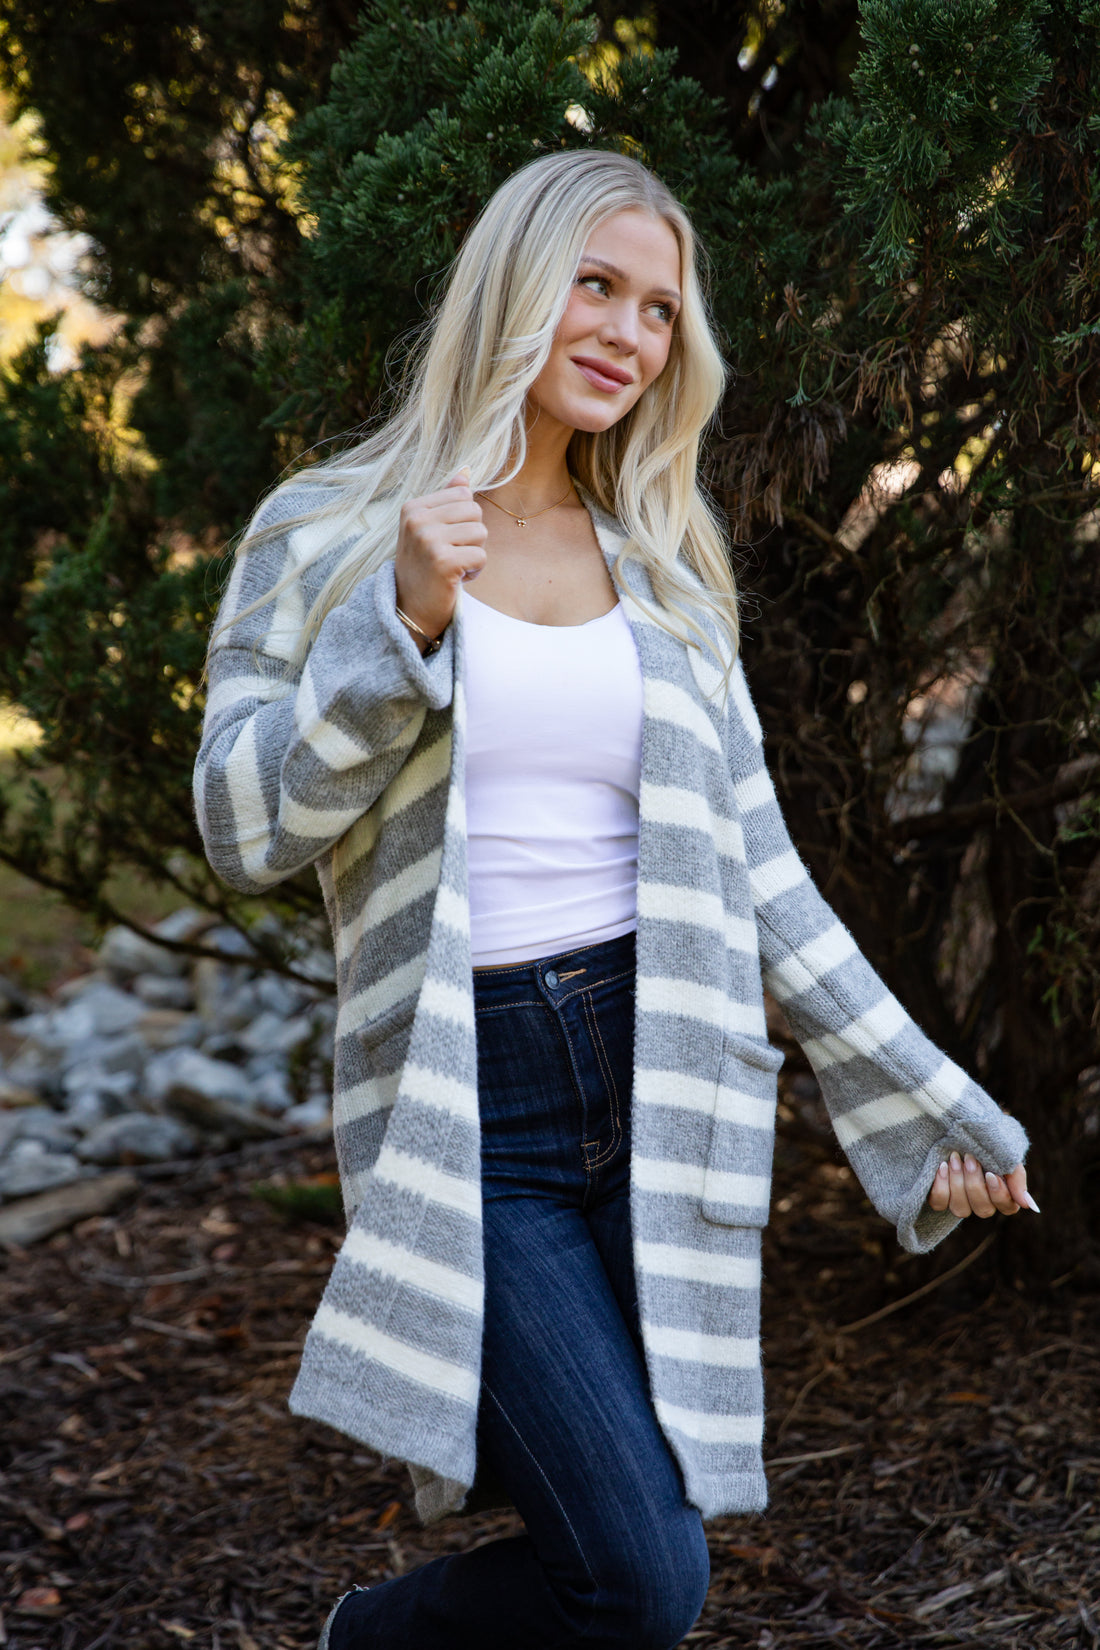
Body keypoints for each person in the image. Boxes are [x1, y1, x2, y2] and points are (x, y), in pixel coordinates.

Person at [193, 149, 1036, 1650]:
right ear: (512, 284)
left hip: (664, 1086)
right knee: (642, 1579)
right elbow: (243, 826)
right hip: (475, 1110)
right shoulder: (322, 534)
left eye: (658, 308)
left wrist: (931, 1098)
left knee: (644, 1539)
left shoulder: (666, 577)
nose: (629, 332)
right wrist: (400, 628)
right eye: (597, 284)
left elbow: (769, 881)